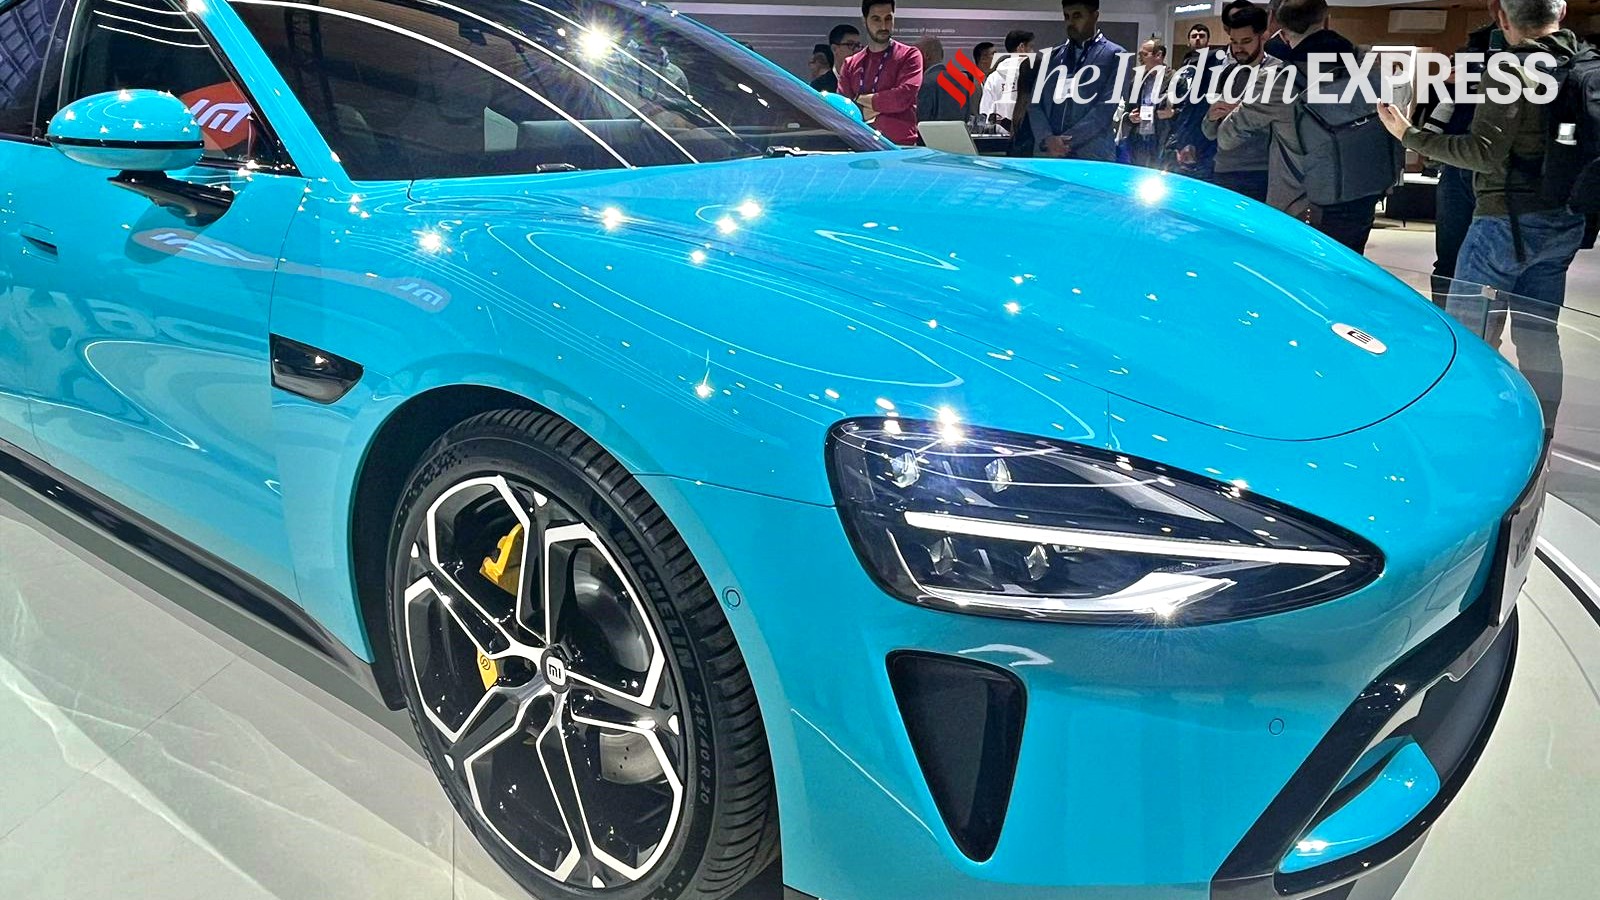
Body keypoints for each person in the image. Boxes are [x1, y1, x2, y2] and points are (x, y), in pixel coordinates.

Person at [1379, 0, 1587, 308]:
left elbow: (1484, 152)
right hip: (1567, 214)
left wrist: (1409, 135)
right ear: (1563, 11)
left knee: (1470, 322)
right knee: (1539, 327)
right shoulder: (1584, 64)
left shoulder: (1509, 68)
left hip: (1507, 214)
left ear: (1502, 18)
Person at [1214, 0, 1391, 251]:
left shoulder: (1278, 81)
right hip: (1361, 197)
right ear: (1326, 20)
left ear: (1283, 33)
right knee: (1346, 271)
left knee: (1293, 273)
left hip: (1302, 209)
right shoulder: (1370, 70)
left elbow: (1227, 137)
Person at [1200, 0, 1281, 201]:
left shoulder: (1278, 73)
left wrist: (1237, 114)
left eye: (1245, 41)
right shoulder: (1228, 72)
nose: (1238, 48)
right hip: (1224, 170)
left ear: (1262, 37)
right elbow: (1209, 132)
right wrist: (1211, 117)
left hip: (1261, 172)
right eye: (1234, 42)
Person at [1028, 0, 1126, 161]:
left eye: (1077, 16)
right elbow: (1034, 104)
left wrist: (1065, 142)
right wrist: (1047, 138)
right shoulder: (1052, 57)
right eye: (1066, 16)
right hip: (1050, 153)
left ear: (1095, 16)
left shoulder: (1116, 56)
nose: (1070, 22)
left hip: (1092, 153)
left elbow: (1105, 108)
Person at [838, 0, 924, 145]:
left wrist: (861, 101)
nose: (883, 26)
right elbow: (843, 109)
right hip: (860, 145)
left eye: (888, 19)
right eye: (876, 19)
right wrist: (884, 104)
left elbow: (902, 98)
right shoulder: (850, 64)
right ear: (864, 21)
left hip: (901, 147)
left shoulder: (910, 55)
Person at [1116, 38, 1174, 167]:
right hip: (1139, 140)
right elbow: (1127, 110)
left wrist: (1173, 113)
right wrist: (1130, 117)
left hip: (1162, 140)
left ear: (1158, 55)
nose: (1140, 58)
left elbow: (1185, 112)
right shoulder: (1137, 80)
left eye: (1144, 54)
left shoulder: (1174, 79)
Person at [980, 30, 1035, 130]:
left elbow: (985, 113)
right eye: (1031, 47)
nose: (1033, 52)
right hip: (1030, 134)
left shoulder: (993, 78)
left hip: (1000, 136)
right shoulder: (1035, 75)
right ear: (1021, 47)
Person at [917, 37, 968, 122]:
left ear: (926, 55)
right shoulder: (962, 80)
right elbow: (966, 116)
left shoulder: (924, 83)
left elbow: (922, 120)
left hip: (931, 130)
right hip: (957, 130)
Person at [813, 23, 862, 92]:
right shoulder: (818, 86)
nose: (857, 50)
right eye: (850, 44)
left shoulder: (867, 81)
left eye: (858, 45)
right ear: (834, 49)